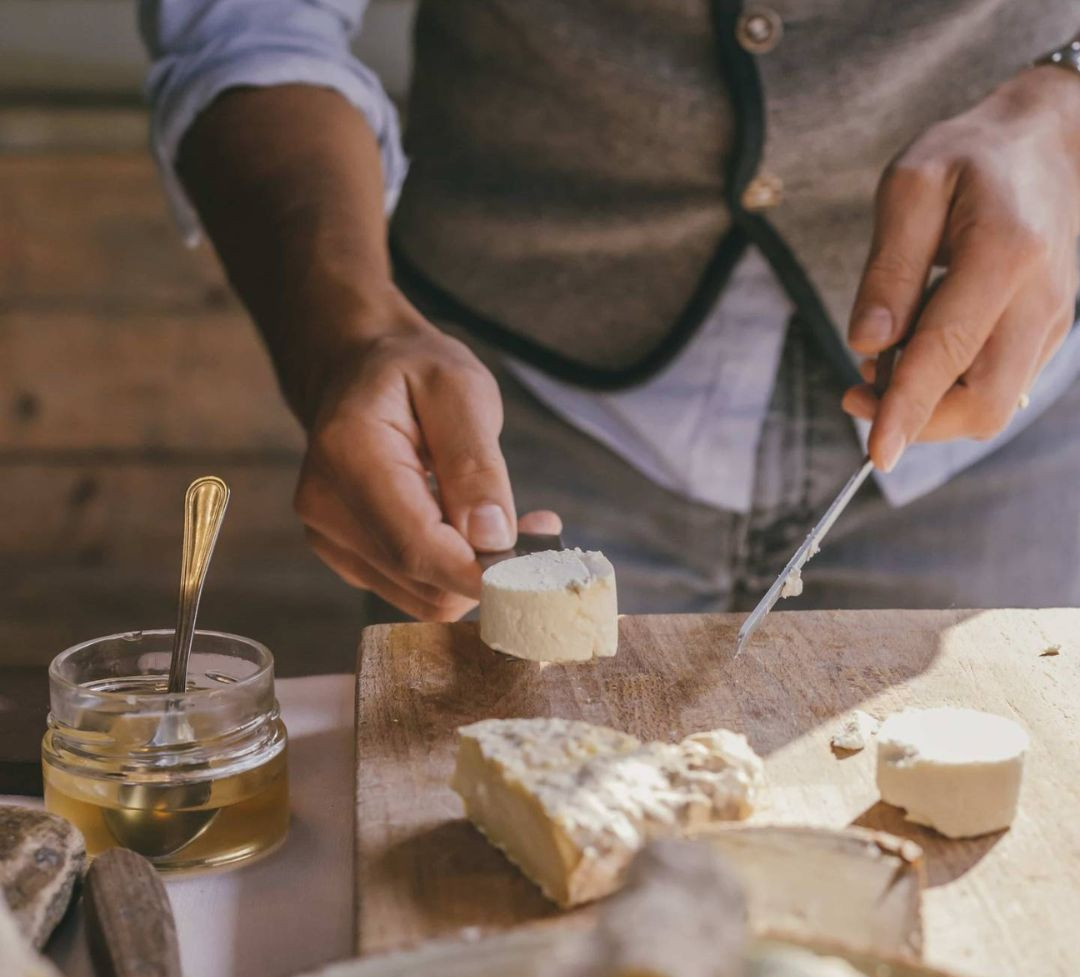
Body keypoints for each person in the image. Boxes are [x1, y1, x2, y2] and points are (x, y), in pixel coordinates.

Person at [138, 3, 1080, 622]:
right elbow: (251, 23)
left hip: (1007, 425)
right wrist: (343, 330)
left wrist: (1066, 108)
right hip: (511, 423)